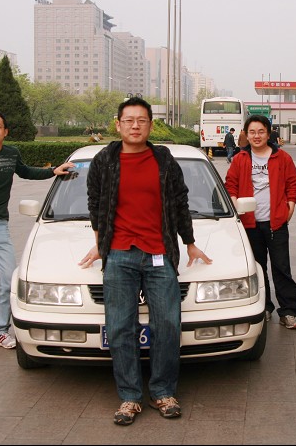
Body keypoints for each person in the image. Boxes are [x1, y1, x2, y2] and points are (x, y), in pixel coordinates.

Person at [78, 97, 212, 426]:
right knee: (120, 327)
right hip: (119, 254)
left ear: (150, 125)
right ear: (118, 124)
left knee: (167, 324)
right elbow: (95, 202)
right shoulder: (105, 160)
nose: (135, 126)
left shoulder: (163, 159)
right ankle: (129, 396)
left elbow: (180, 201)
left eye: (141, 120)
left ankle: (163, 391)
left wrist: (190, 242)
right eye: (129, 120)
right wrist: (100, 244)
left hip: (160, 253)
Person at [0, 110, 75, 352]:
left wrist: (53, 171)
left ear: (5, 131)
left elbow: (26, 171)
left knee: (9, 278)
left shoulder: (11, 154)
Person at [225, 114, 296, 329]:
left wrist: (290, 207)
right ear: (246, 135)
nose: (256, 136)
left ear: (268, 134)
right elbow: (230, 185)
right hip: (250, 223)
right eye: (252, 132)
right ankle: (265, 307)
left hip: (276, 222)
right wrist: (237, 206)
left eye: (261, 131)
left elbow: (292, 184)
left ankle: (288, 311)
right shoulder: (240, 158)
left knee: (281, 268)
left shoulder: (282, 157)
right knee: (257, 268)